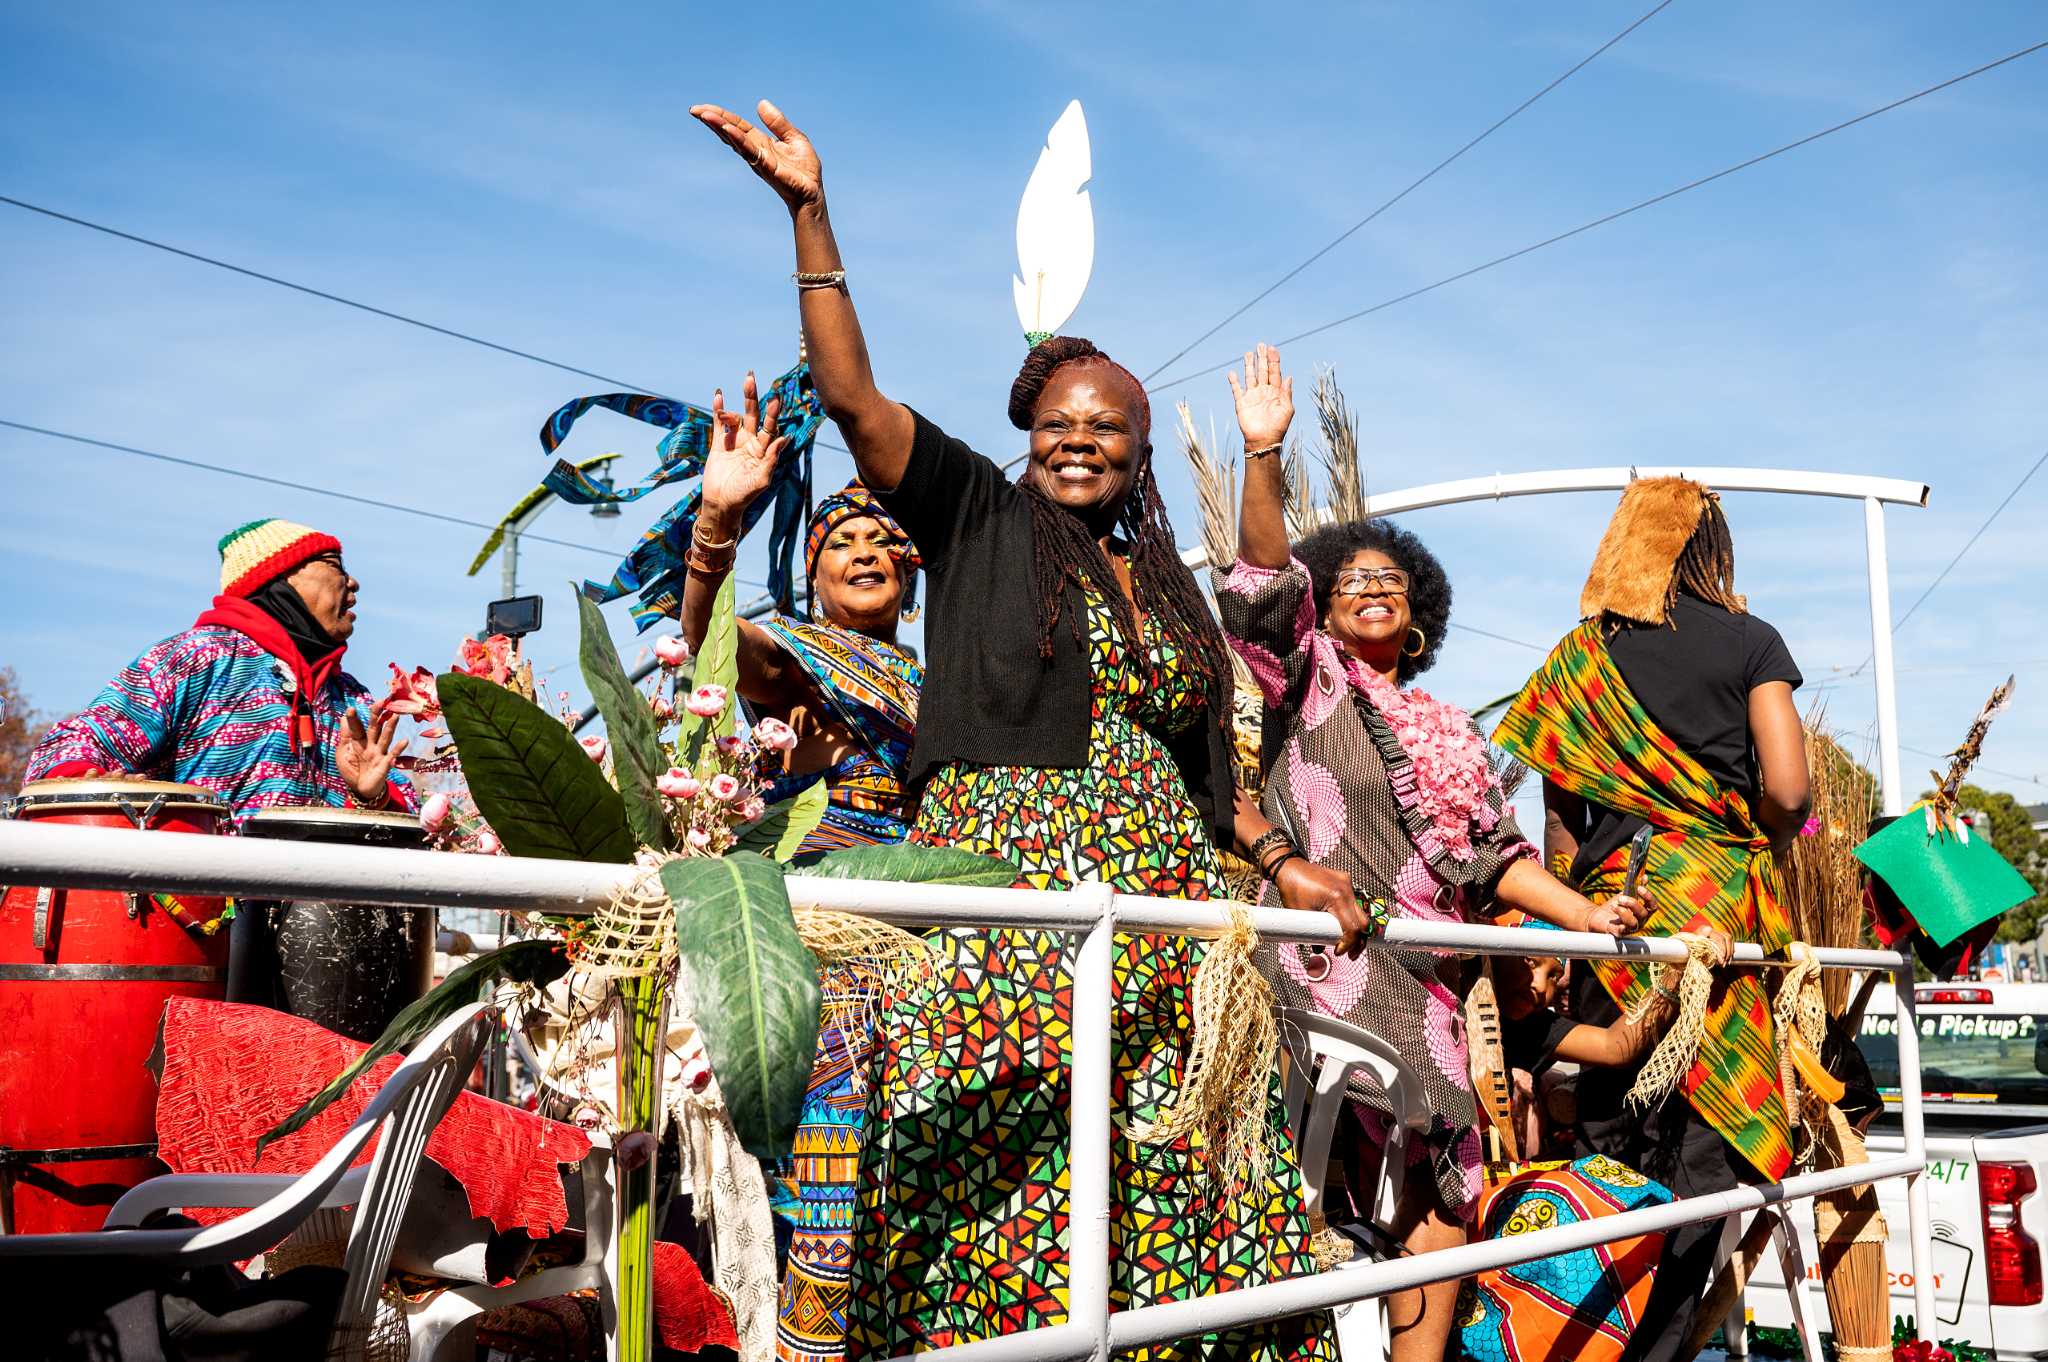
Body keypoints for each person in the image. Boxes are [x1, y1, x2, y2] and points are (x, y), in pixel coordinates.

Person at [692, 101, 1329, 1361]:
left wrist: (1274, 861)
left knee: (1184, 1167)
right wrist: (810, 215)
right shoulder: (980, 521)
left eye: (1107, 428)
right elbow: (851, 394)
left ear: (1140, 455)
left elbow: (1215, 771)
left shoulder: (1170, 589)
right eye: (1059, 424)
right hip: (1015, 881)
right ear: (1027, 439)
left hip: (1166, 907)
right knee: (1004, 1145)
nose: (1079, 439)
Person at [1210, 345, 1642, 1362]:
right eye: (1349, 578)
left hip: (1429, 982)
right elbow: (1263, 585)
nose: (1370, 588)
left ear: (1415, 619)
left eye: (1390, 582)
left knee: (1443, 1167)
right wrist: (1262, 453)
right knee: (1323, 1173)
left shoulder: (1445, 725)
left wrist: (1583, 917)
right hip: (1321, 965)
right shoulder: (1309, 682)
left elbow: (1490, 854)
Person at [1494, 476, 1809, 1362]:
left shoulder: (1578, 658)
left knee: (1610, 1143)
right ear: (1713, 547)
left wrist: (1573, 918)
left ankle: (1580, 1337)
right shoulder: (1750, 641)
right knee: (1702, 1160)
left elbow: (1560, 820)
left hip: (1610, 919)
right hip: (1710, 911)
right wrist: (1751, 833)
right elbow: (1788, 792)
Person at [678, 379, 924, 1362]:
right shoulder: (792, 654)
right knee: (828, 1169)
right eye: (838, 546)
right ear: (811, 576)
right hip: (821, 927)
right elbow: (705, 644)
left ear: (912, 569)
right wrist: (716, 521)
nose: (863, 554)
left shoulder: (943, 675)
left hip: (930, 922)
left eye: (881, 542)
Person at [1451, 921, 1734, 1362]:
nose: (1540, 987)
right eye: (1530, 962)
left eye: (1552, 975)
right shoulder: (1443, 984)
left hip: (1474, 1182)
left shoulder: (1530, 1027)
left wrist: (1676, 968)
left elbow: (1614, 1046)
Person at [26, 518, 413, 817]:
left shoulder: (352, 700)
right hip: (205, 914)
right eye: (334, 565)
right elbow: (70, 749)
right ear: (279, 579)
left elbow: (418, 817)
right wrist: (88, 782)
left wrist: (374, 795)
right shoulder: (197, 658)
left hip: (328, 913)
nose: (354, 582)